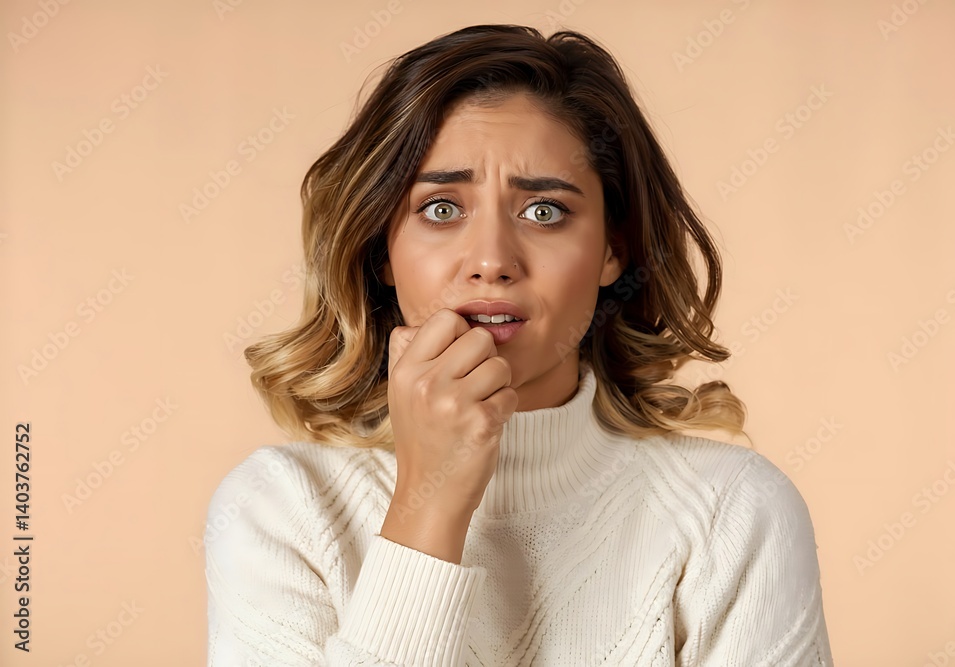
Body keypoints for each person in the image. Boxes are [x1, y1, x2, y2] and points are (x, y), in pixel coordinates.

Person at [204, 23, 834, 666]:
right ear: (381, 250)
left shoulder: (734, 511)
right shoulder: (281, 508)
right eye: (441, 208)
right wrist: (432, 501)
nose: (492, 262)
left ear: (613, 250)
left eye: (544, 212)